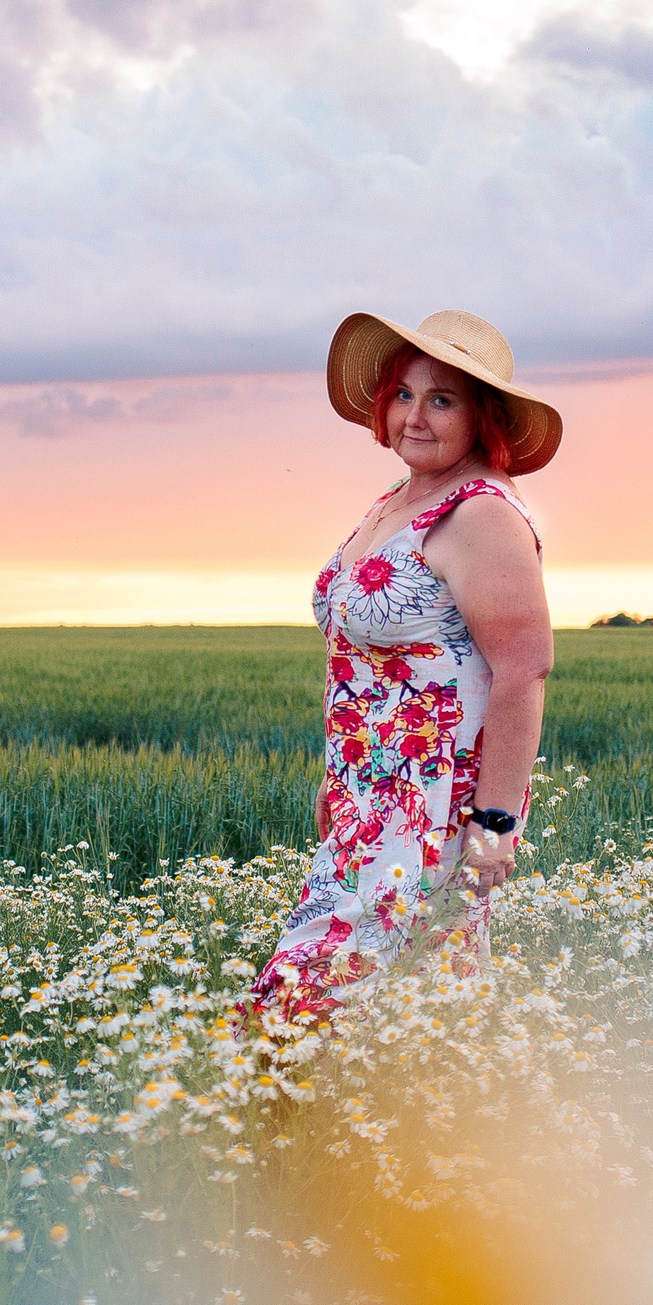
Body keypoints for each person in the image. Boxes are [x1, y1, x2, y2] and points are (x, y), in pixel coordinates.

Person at [242, 309, 561, 1022]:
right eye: (403, 394)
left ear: (483, 416)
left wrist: (495, 827)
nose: (415, 416)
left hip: (431, 810)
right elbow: (361, 661)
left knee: (301, 1009)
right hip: (368, 799)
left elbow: (525, 669)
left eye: (441, 399)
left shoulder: (481, 514)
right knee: (405, 1017)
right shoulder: (399, 498)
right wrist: (339, 776)